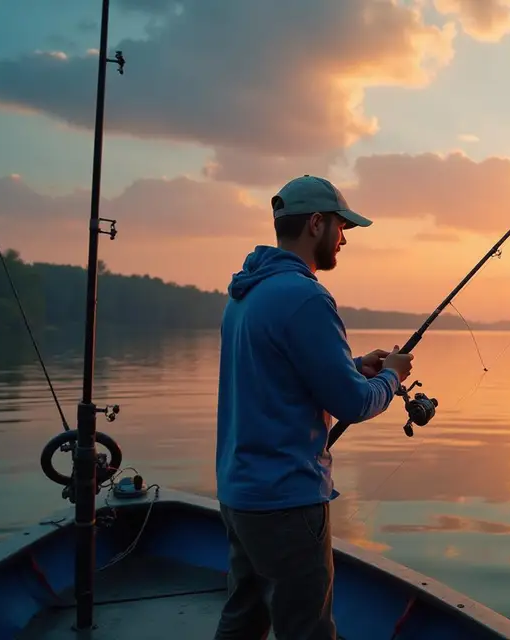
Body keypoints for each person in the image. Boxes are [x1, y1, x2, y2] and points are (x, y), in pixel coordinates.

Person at [212, 174, 414, 640]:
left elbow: (279, 373)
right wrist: (391, 377)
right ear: (317, 224)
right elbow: (352, 403)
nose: (344, 239)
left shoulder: (245, 294)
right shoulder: (306, 297)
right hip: (286, 502)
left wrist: (352, 364)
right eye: (342, 227)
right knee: (308, 630)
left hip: (240, 494)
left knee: (243, 617)